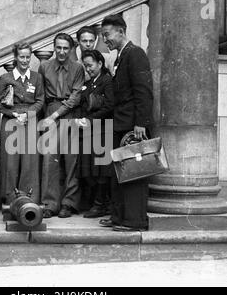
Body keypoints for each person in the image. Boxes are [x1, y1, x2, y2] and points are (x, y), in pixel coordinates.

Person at [99, 14, 153, 232]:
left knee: (134, 175)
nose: (105, 40)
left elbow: (144, 91)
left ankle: (133, 221)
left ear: (121, 32)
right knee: (120, 174)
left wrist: (141, 123)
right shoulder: (122, 56)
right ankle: (120, 217)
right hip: (122, 125)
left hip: (132, 127)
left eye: (107, 35)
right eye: (103, 36)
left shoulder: (135, 53)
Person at [39, 33, 85, 218]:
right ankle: (50, 203)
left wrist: (56, 115)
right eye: (58, 47)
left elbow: (75, 97)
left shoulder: (77, 68)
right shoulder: (44, 67)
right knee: (50, 160)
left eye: (65, 48)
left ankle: (69, 203)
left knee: (71, 159)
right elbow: (41, 95)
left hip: (69, 113)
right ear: (54, 46)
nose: (61, 51)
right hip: (50, 110)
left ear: (71, 49)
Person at [0, 42, 44, 213]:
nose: (24, 60)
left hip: (30, 121)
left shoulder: (36, 77)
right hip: (11, 122)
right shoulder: (5, 78)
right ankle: (10, 199)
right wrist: (14, 114)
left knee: (30, 161)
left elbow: (40, 100)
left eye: (27, 57)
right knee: (10, 162)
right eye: (21, 57)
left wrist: (28, 114)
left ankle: (28, 200)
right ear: (15, 57)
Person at [76, 49, 114, 218]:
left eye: (90, 65)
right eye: (85, 66)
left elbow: (109, 106)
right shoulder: (90, 82)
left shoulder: (107, 81)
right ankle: (97, 202)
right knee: (89, 169)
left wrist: (89, 120)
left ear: (100, 64)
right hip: (89, 131)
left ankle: (100, 204)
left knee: (101, 170)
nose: (88, 69)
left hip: (103, 130)